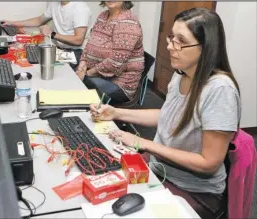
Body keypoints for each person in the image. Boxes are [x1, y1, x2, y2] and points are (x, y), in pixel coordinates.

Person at [90, 7, 241, 219]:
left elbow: (209, 163)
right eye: (171, 37)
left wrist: (144, 143)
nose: (170, 46)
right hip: (159, 169)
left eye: (180, 41)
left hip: (194, 191)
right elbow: (167, 116)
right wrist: (116, 113)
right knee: (98, 180)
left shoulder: (220, 90)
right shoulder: (181, 74)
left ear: (206, 47)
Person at [76, 1, 144, 104]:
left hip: (120, 84)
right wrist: (83, 62)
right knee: (71, 77)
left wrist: (87, 73)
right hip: (98, 75)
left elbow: (116, 62)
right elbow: (90, 44)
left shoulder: (128, 22)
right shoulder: (103, 16)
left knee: (79, 87)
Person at [2, 1, 91, 69]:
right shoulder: (55, 3)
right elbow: (39, 20)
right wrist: (12, 23)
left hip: (74, 53)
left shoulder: (80, 8)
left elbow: (78, 40)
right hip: (59, 50)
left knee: (43, 65)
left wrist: (51, 34)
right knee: (29, 57)